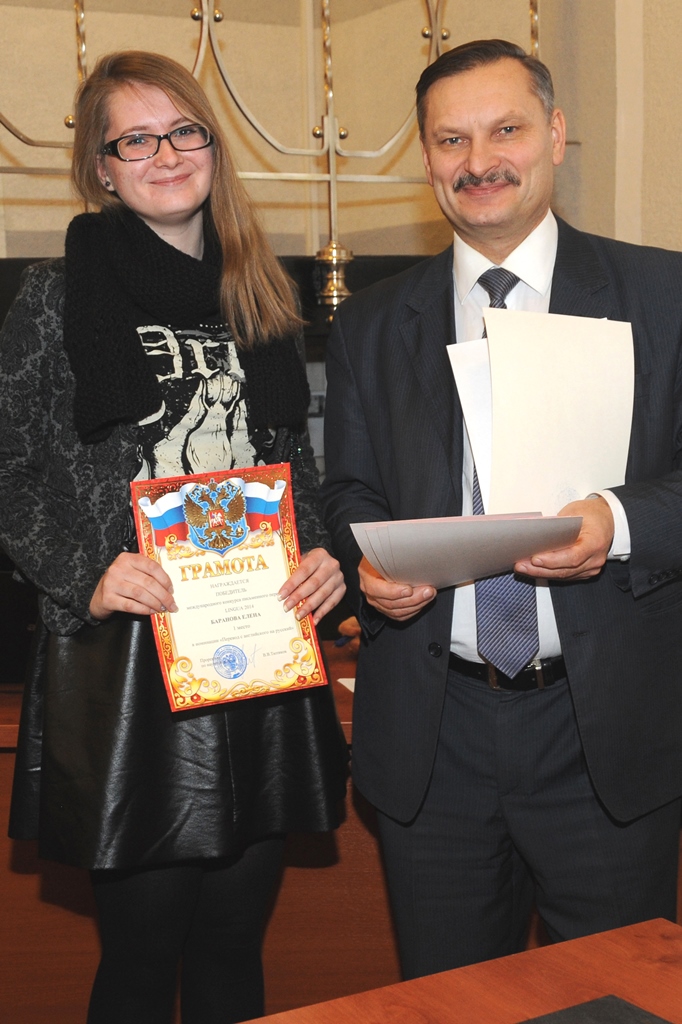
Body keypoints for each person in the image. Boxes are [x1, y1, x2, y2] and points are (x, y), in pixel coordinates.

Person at [321, 38, 682, 979]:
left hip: (603, 736)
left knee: (615, 1000)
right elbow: (348, 491)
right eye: (452, 140)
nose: (478, 161)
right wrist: (368, 571)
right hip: (433, 740)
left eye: (506, 130)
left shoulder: (666, 294)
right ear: (428, 159)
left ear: (555, 135)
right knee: (446, 1002)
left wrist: (617, 522)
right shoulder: (370, 322)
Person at [0, 51, 348, 1024]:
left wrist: (322, 551)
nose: (166, 153)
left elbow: (293, 461)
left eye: (184, 130)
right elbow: (8, 465)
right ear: (101, 167)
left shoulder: (259, 291)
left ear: (212, 147)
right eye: (135, 139)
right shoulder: (55, 295)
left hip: (259, 653)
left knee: (235, 941)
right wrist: (85, 572)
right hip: (128, 666)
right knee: (143, 957)